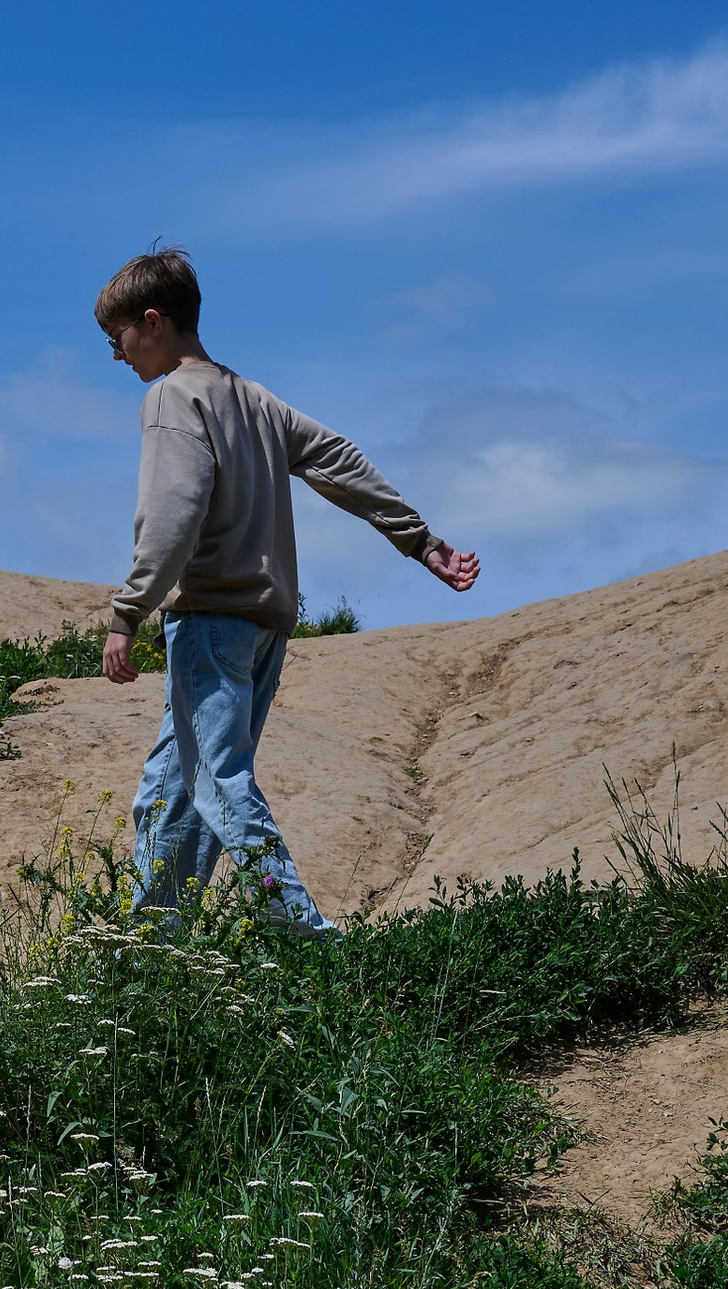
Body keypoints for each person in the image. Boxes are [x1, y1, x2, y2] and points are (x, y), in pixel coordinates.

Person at [96, 243, 479, 930]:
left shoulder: (173, 396)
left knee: (217, 782)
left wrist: (128, 612)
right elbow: (340, 460)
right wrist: (419, 540)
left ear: (152, 321)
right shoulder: (255, 399)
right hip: (266, 626)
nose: (116, 355)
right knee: (171, 786)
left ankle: (308, 934)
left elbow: (172, 513)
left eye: (115, 337)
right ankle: (154, 943)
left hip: (211, 620)